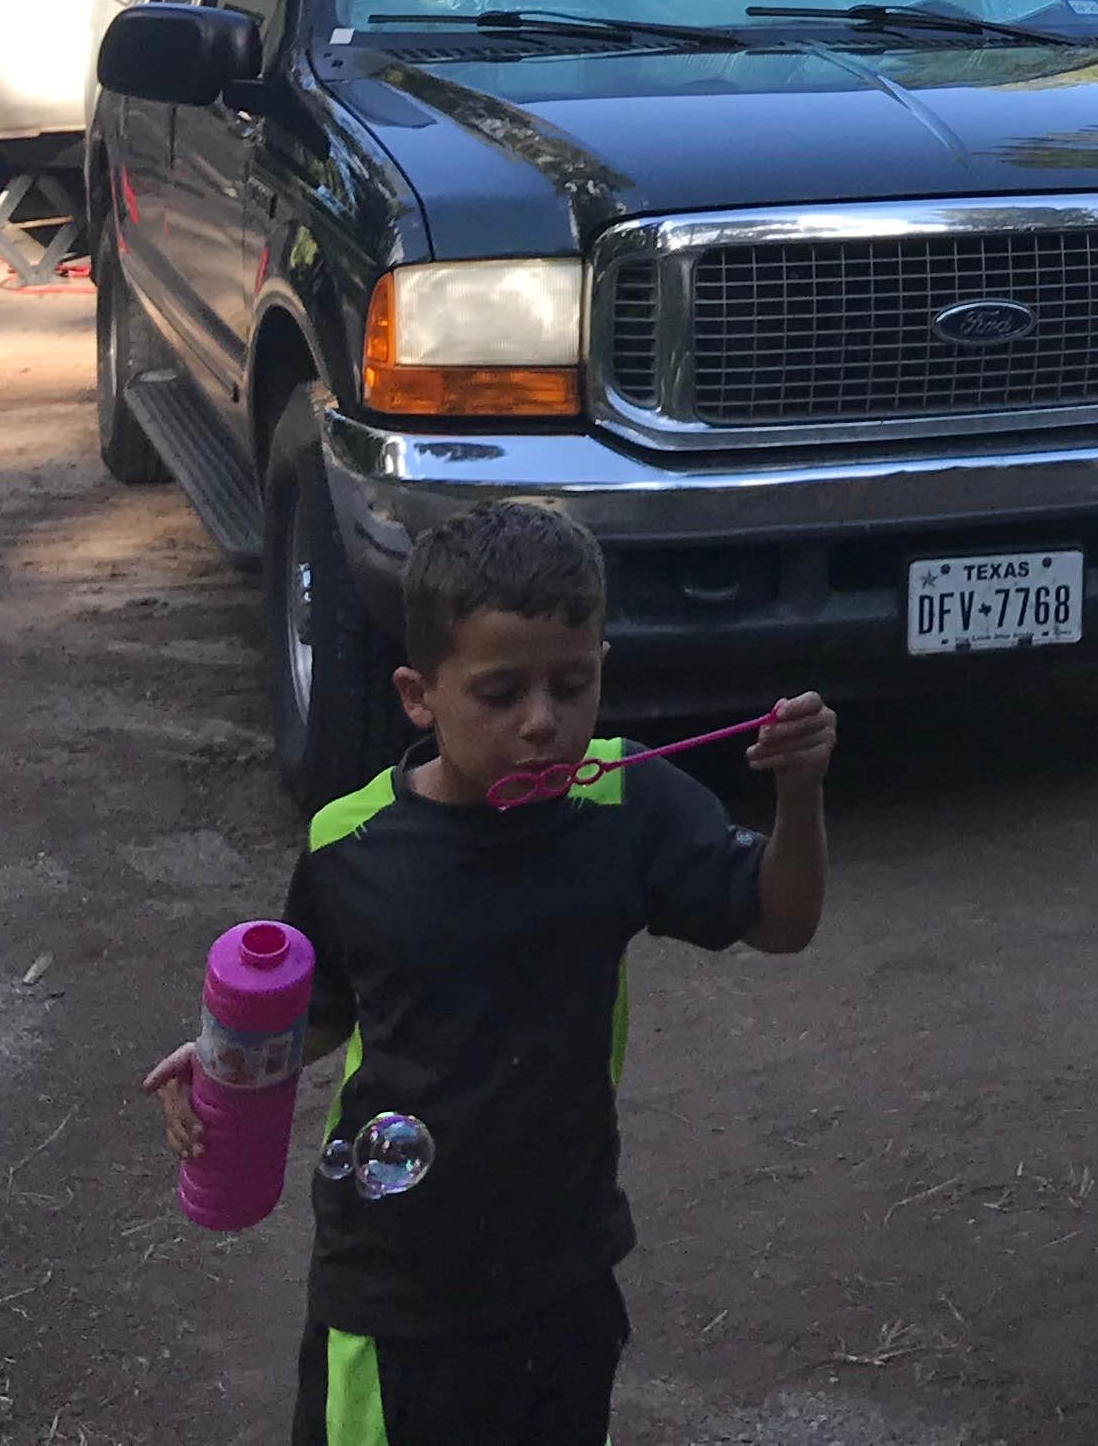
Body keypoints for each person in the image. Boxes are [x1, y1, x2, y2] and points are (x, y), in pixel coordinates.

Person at [143, 502, 835, 1446]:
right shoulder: (352, 841)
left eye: (573, 684)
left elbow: (783, 922)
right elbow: (323, 1006)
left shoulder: (624, 802)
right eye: (501, 692)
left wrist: (799, 796)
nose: (544, 723)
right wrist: (225, 1061)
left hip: (562, 1265)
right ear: (419, 695)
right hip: (392, 1283)